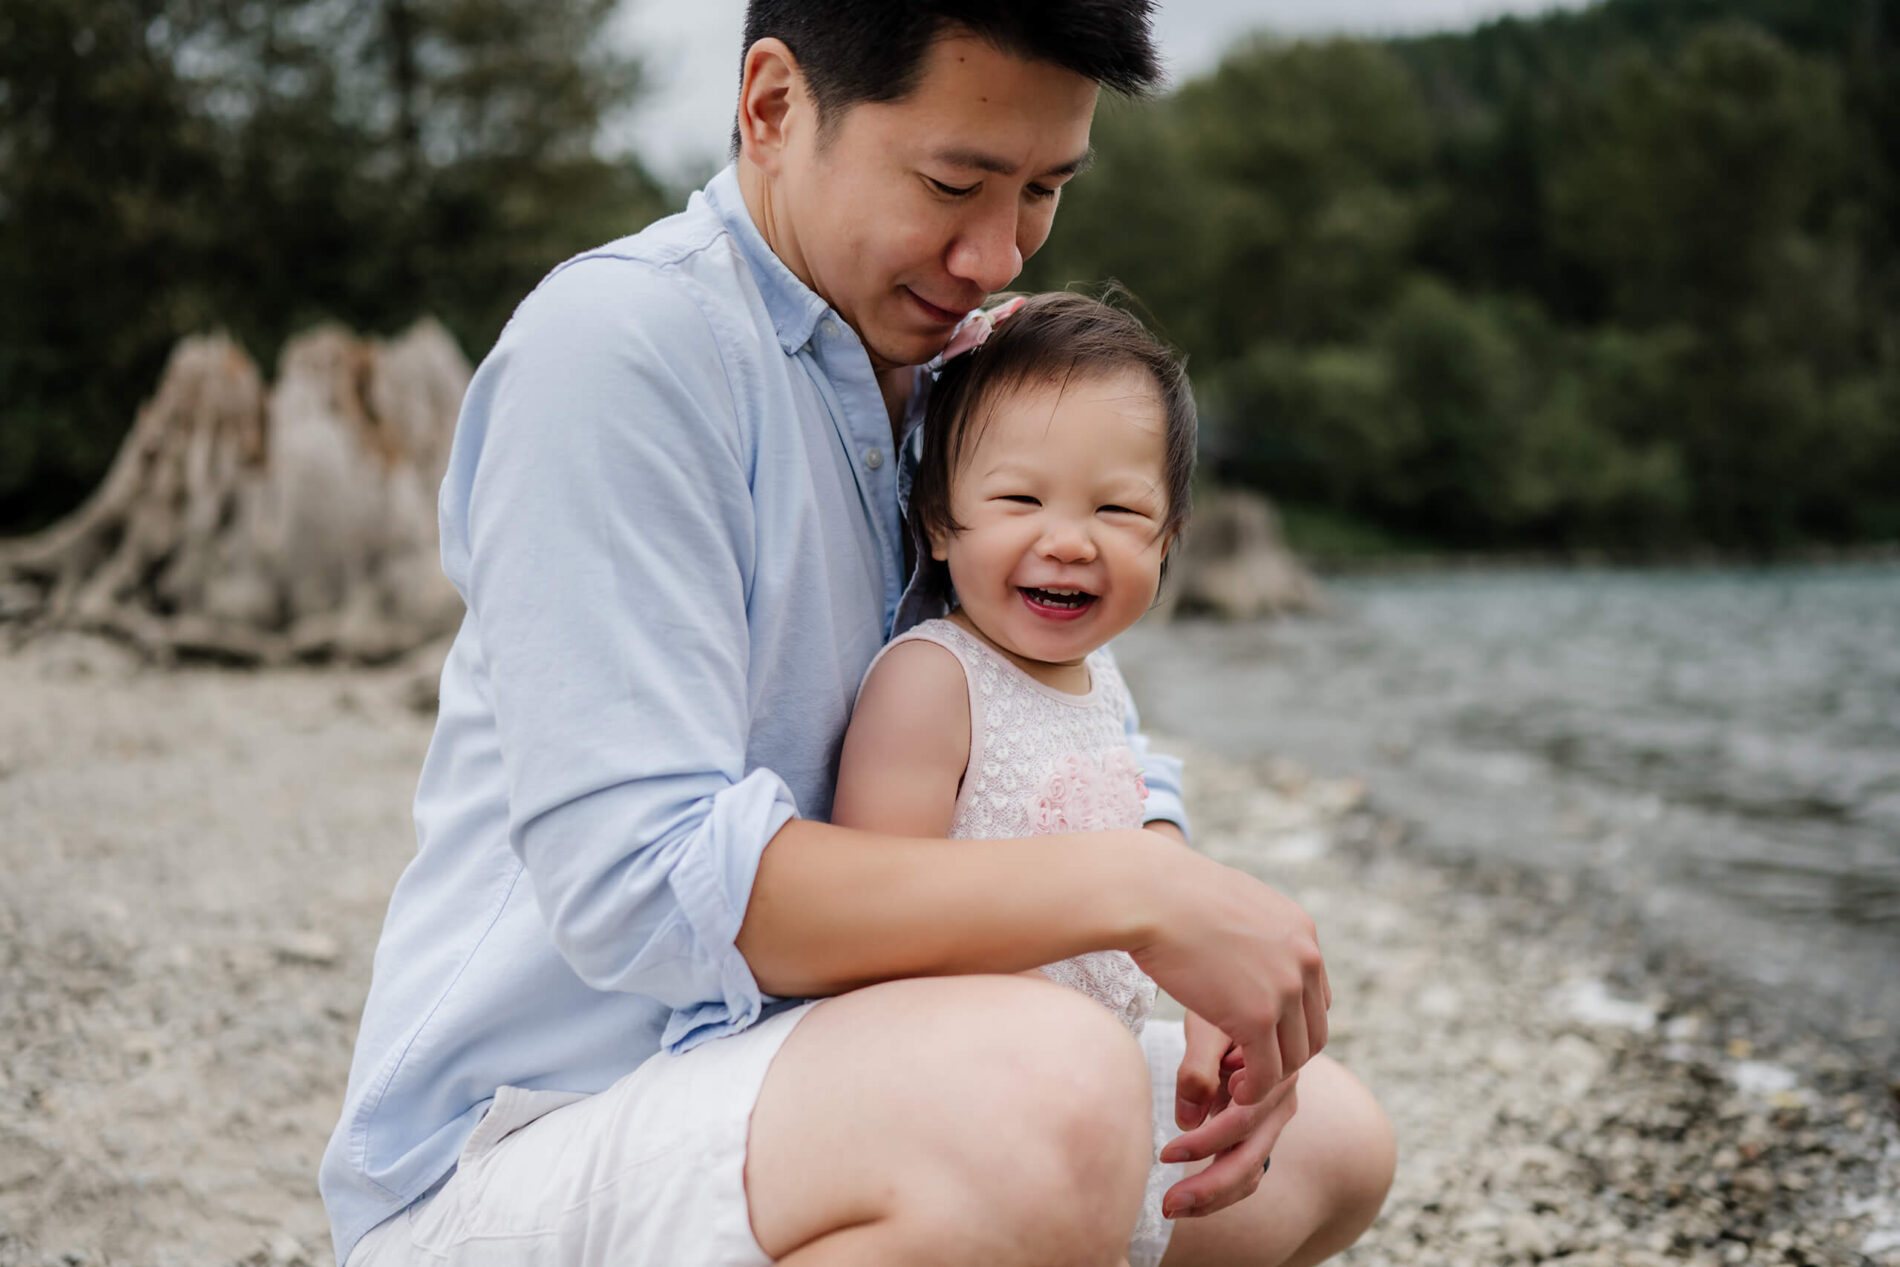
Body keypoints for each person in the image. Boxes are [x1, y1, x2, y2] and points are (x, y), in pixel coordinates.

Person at [321, 5, 1395, 1266]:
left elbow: (1065, 709)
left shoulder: (957, 371)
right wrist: (1139, 893)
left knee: (1321, 1136)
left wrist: (1181, 898)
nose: (995, 253)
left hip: (822, 1077)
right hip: (527, 1150)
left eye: (1044, 190)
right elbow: (641, 883)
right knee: (1048, 1096)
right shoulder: (623, 350)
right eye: (954, 182)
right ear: (771, 107)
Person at [830, 290, 1307, 1267]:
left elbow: (1143, 867)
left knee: (1337, 1139)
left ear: (1168, 540)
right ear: (936, 522)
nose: (1069, 538)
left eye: (1118, 508)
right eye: (1019, 499)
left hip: (1096, 1077)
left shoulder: (1103, 681)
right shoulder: (932, 682)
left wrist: (1204, 987)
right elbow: (872, 934)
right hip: (956, 1100)